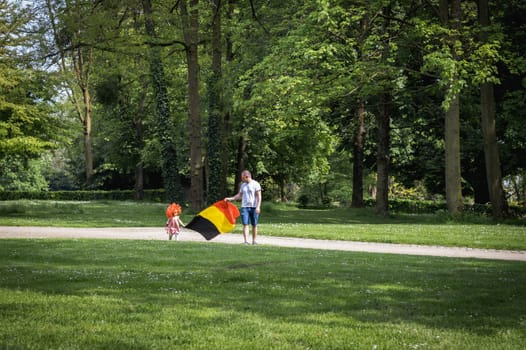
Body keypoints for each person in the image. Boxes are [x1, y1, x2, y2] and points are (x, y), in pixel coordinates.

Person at [225, 170, 262, 245]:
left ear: (247, 176)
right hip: (245, 207)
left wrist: (258, 207)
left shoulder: (256, 184)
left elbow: (259, 197)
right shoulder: (243, 185)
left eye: (243, 177)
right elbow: (239, 195)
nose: (242, 179)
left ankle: (254, 241)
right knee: (245, 224)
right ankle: (246, 241)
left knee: (254, 224)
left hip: (254, 207)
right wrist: (230, 199)